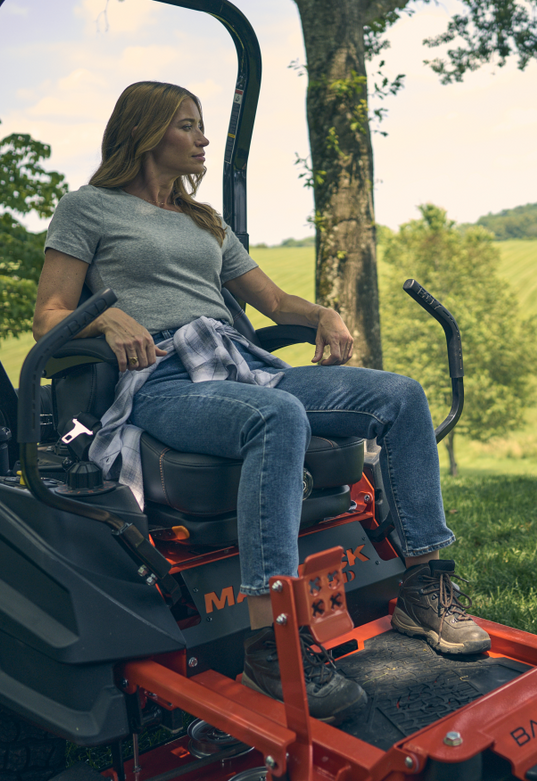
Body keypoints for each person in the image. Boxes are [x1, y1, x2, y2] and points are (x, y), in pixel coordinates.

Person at [34, 81, 486, 722]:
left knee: (401, 395)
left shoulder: (204, 222)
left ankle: (421, 584)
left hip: (243, 367)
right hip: (163, 381)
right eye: (187, 126)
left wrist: (324, 311)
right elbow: (48, 314)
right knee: (280, 417)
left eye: (202, 125)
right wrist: (106, 321)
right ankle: (270, 640)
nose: (203, 138)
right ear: (145, 132)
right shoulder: (88, 209)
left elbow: (272, 304)